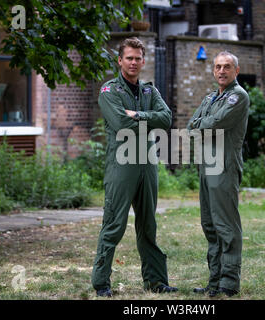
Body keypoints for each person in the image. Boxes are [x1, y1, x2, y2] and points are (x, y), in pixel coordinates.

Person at [92, 37, 177, 297]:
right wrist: (144, 120)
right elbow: (120, 124)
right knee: (114, 224)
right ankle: (101, 282)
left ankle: (156, 281)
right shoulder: (109, 91)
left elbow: (167, 119)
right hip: (122, 167)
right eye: (128, 57)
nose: (133, 62)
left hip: (147, 165)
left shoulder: (150, 91)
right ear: (119, 60)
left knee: (148, 226)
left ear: (143, 61)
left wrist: (139, 115)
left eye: (138, 58)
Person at [187, 51, 250, 297]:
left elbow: (214, 124)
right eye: (217, 67)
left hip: (223, 167)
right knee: (210, 225)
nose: (221, 71)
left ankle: (229, 282)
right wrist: (203, 122)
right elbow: (192, 125)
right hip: (205, 166)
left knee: (226, 226)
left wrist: (203, 122)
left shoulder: (239, 96)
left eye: (226, 67)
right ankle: (214, 281)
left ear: (236, 70)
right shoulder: (212, 97)